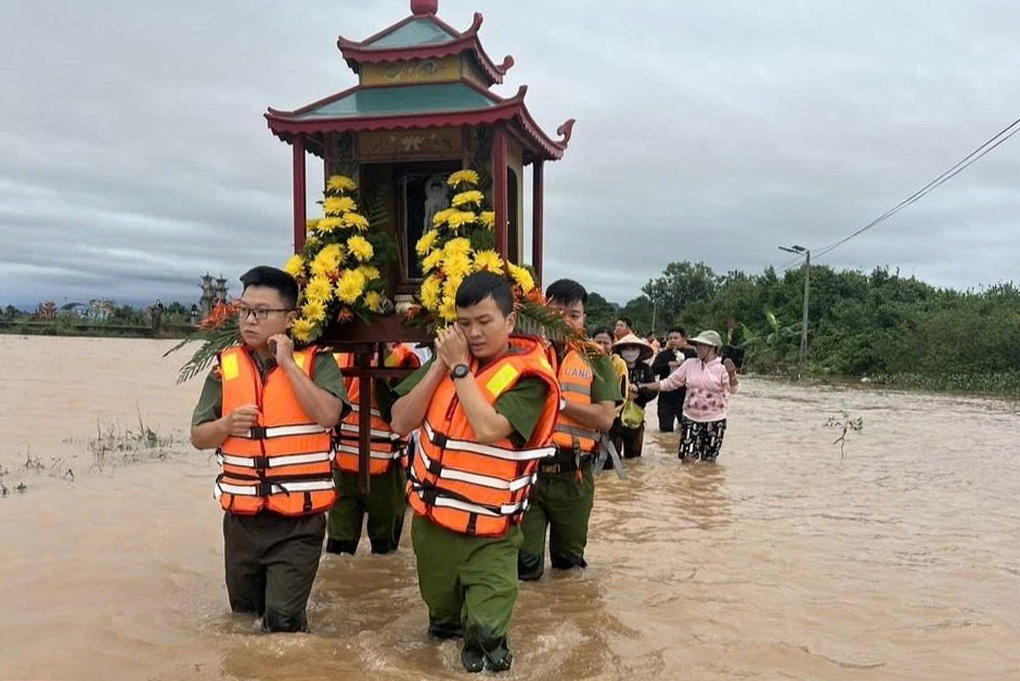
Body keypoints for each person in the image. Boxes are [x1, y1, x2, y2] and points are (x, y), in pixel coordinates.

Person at [389, 271, 561, 674]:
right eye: (464, 324)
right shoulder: (447, 364)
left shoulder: (528, 378)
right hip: (433, 529)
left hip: (491, 536)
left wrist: (461, 369)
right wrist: (439, 368)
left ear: (510, 322)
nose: (475, 332)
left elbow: (488, 429)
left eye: (484, 322)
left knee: (486, 640)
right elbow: (400, 421)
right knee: (441, 631)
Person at [189, 266, 348, 632]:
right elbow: (199, 436)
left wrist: (288, 365)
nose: (250, 320)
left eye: (262, 312)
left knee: (283, 624)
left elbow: (329, 415)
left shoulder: (316, 362)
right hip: (242, 523)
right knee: (243, 622)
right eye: (244, 310)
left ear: (289, 318)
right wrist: (226, 426)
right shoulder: (225, 368)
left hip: (297, 523)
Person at [518, 280, 620, 582]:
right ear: (542, 312)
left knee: (569, 566)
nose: (565, 321)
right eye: (558, 312)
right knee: (524, 568)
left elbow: (604, 418)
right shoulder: (525, 353)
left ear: (583, 319)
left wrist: (558, 402)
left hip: (573, 475)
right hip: (529, 473)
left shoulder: (596, 358)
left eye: (574, 315)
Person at [326, 343, 423, 556]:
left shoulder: (404, 359)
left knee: (385, 550)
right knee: (338, 550)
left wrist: (379, 365)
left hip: (386, 468)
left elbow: (396, 411)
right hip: (345, 467)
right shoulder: (339, 354)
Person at [635, 330, 739, 462]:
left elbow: (733, 390)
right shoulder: (689, 364)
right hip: (691, 418)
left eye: (702, 345)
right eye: (697, 345)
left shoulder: (723, 367)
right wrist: (643, 386)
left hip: (715, 420)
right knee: (687, 458)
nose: (698, 348)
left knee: (708, 461)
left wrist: (732, 374)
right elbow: (669, 383)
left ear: (712, 347)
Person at [608, 333, 656, 458]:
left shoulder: (645, 369)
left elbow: (653, 390)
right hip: (615, 417)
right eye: (626, 349)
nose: (630, 352)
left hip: (636, 418)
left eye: (633, 348)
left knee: (633, 457)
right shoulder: (614, 367)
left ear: (639, 351)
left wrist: (639, 391)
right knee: (614, 456)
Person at [650, 327, 697, 433]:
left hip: (685, 398)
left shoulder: (691, 354)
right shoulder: (663, 355)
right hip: (666, 399)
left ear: (683, 339)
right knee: (665, 431)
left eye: (676, 338)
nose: (672, 340)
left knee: (686, 431)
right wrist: (667, 365)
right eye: (670, 338)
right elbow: (653, 370)